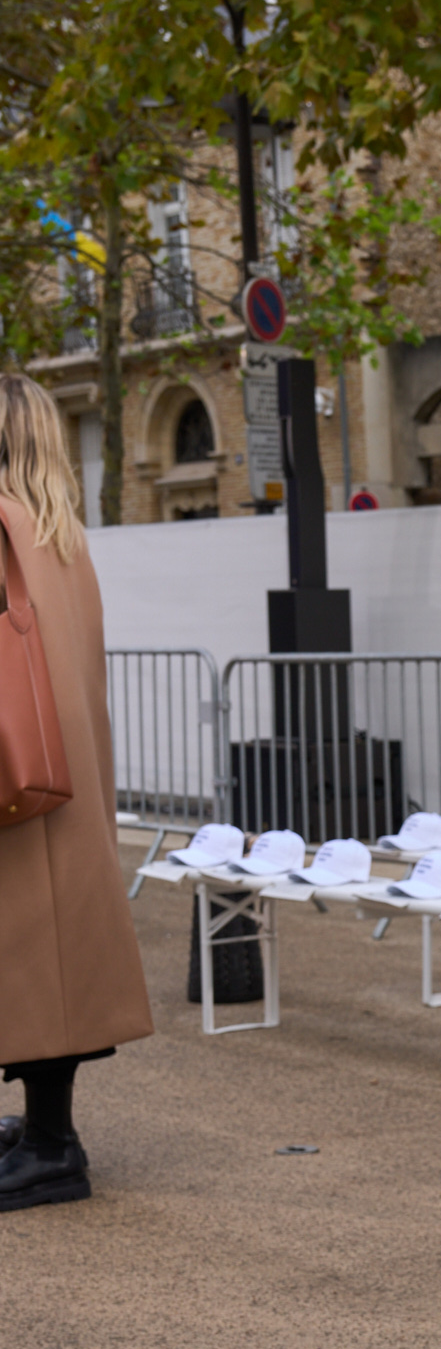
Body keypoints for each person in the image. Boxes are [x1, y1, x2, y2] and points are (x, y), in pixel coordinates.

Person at [0, 374, 152, 1209]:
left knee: (25, 965)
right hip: (65, 778)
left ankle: (54, 1146)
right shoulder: (62, 536)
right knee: (47, 969)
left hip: (16, 785)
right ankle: (44, 1131)